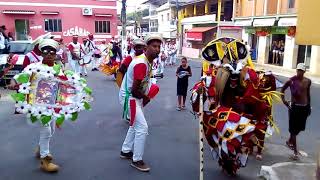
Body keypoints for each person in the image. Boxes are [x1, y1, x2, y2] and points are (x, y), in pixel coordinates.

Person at [8, 38, 61, 172]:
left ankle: (40, 148)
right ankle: (45, 159)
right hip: (37, 104)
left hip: (52, 104)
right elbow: (20, 75)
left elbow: (65, 82)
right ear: (41, 53)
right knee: (46, 130)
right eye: (45, 51)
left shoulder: (58, 68)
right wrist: (14, 82)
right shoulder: (34, 67)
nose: (49, 53)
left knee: (52, 129)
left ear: (55, 54)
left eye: (52, 51)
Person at [119, 34, 162, 172]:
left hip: (134, 96)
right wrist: (146, 97)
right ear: (146, 48)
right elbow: (134, 90)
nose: (157, 49)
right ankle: (137, 160)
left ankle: (125, 151)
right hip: (130, 97)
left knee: (134, 125)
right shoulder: (142, 63)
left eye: (159, 46)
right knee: (142, 128)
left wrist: (147, 95)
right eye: (154, 46)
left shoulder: (147, 61)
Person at [281, 63, 312, 160]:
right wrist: (284, 101)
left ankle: (289, 140)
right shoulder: (291, 81)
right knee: (293, 130)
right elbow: (282, 90)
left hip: (304, 108)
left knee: (300, 128)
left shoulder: (308, 81)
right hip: (294, 107)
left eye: (301, 71)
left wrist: (309, 106)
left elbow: (308, 94)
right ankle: (295, 152)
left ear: (304, 72)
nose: (299, 72)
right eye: (298, 70)